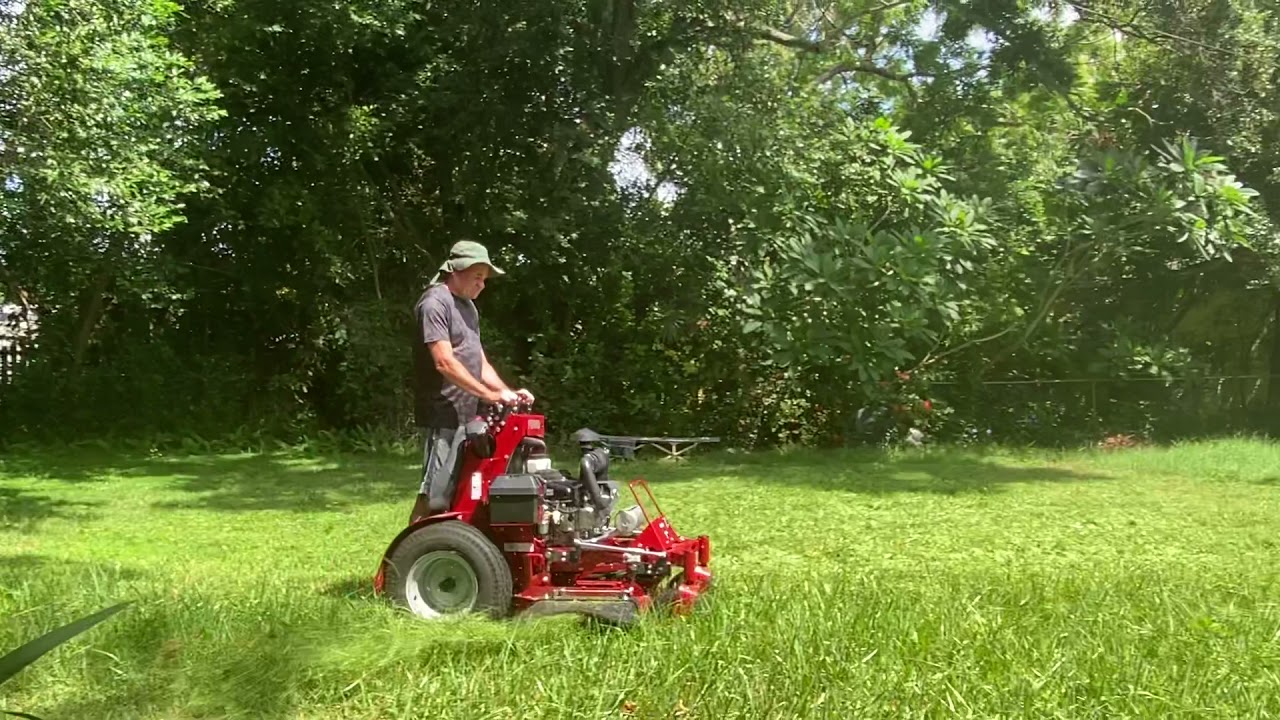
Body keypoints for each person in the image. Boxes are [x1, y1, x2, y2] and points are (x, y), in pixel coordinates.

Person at [410, 239, 533, 522]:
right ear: (456, 270)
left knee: (462, 492)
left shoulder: (467, 307)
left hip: (467, 416)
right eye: (477, 277)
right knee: (433, 494)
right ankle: (406, 559)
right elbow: (444, 362)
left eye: (485, 279)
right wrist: (488, 395)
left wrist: (506, 392)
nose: (482, 285)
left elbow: (479, 362)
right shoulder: (434, 303)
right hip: (442, 415)